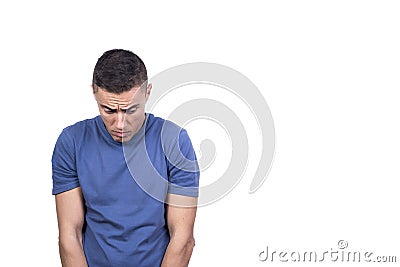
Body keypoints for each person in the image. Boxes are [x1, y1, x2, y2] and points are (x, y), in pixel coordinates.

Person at [52, 49, 200, 266]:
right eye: (109, 110)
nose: (120, 124)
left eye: (131, 110)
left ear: (147, 93)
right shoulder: (71, 142)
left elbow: (182, 238)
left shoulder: (175, 141)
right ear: (94, 92)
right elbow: (69, 236)